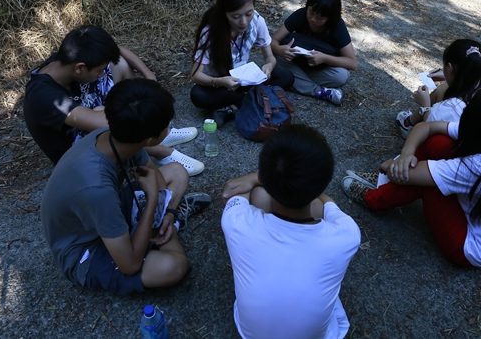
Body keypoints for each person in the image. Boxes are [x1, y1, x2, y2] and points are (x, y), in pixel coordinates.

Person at [41, 78, 211, 294]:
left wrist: (168, 213)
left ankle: (160, 229)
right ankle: (162, 232)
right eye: (166, 126)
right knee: (174, 266)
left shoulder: (117, 134)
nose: (168, 129)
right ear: (150, 140)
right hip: (86, 248)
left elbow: (157, 179)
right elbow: (129, 265)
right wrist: (152, 202)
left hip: (106, 212)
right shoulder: (96, 189)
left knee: (177, 172)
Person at [342, 85, 481, 267]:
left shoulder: (479, 166)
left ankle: (374, 199)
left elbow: (407, 175)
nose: (465, 108)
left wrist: (392, 166)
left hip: (471, 247)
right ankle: (382, 184)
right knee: (438, 143)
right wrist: (406, 154)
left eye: (471, 108)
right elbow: (427, 127)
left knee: (428, 184)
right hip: (477, 217)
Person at [221, 124, 360, 339]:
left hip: (251, 334)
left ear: (263, 176)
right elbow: (328, 202)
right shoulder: (348, 234)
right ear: (324, 182)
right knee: (317, 207)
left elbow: (232, 191)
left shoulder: (235, 222)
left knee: (258, 195)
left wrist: (257, 179)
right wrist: (308, 184)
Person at [23, 25, 203, 175]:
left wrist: (148, 74)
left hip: (93, 113)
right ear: (79, 68)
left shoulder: (69, 58)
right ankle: (157, 149)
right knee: (120, 116)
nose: (102, 73)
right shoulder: (45, 95)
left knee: (119, 63)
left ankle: (156, 133)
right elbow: (104, 123)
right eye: (99, 70)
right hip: (77, 153)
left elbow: (119, 51)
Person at [190, 0, 294, 127]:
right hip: (220, 82)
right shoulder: (210, 32)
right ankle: (254, 99)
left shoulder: (257, 22)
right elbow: (195, 75)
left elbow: (270, 57)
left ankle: (234, 107)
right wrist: (219, 81)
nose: (243, 22)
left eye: (248, 13)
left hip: (244, 79)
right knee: (197, 95)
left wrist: (269, 66)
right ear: (224, 13)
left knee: (286, 77)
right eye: (235, 16)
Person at [270, 0, 357, 105]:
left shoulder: (337, 26)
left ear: (330, 18)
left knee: (341, 76)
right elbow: (273, 40)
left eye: (320, 18)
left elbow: (352, 63)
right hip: (294, 62)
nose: (313, 19)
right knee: (274, 58)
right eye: (311, 12)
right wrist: (279, 49)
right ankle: (320, 91)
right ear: (308, 6)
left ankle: (298, 80)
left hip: (318, 68)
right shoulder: (300, 14)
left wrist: (324, 58)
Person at [396, 39, 481, 138]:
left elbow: (429, 125)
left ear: (449, 67)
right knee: (446, 86)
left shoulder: (449, 107)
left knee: (443, 90)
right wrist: (450, 76)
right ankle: (410, 122)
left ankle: (408, 126)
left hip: (444, 140)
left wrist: (425, 105)